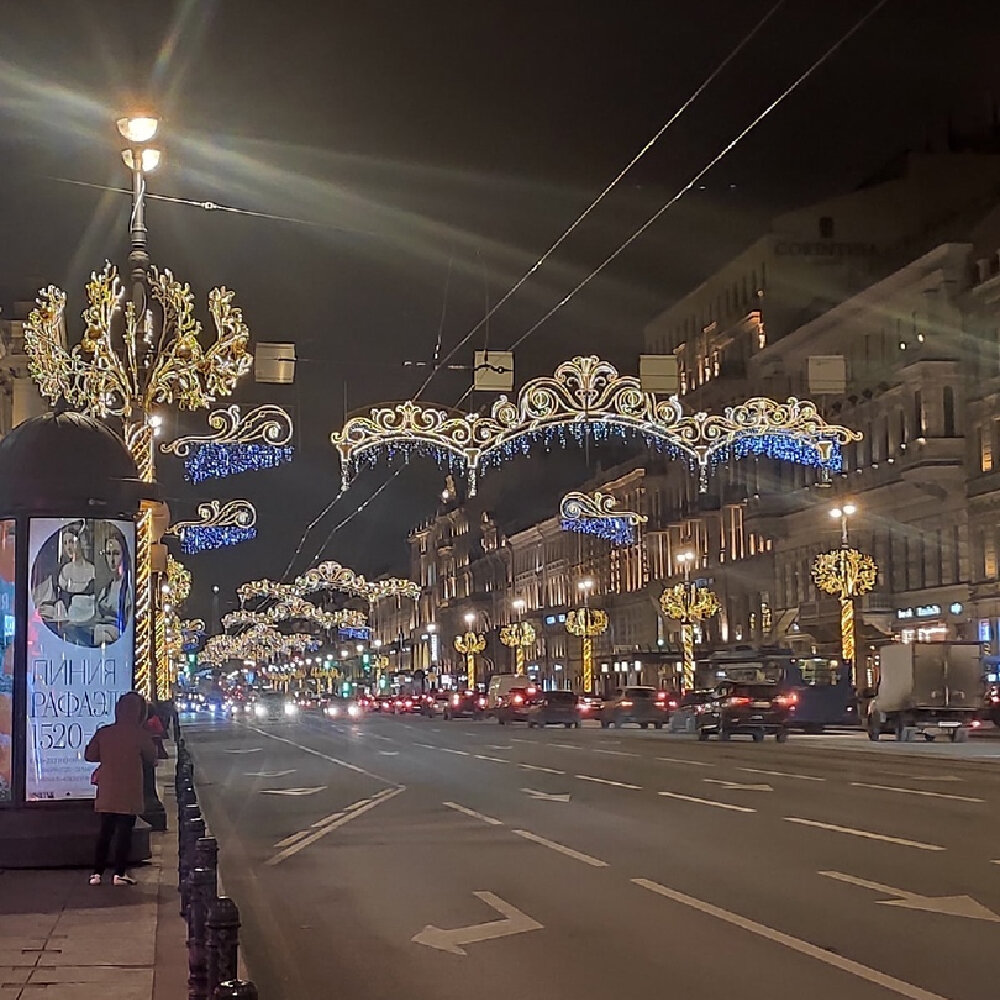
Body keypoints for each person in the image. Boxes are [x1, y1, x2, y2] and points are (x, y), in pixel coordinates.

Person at [84, 691, 156, 886]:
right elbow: (153, 757)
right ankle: (119, 873)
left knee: (105, 833)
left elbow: (90, 755)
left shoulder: (105, 732)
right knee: (124, 833)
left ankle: (96, 874)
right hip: (129, 791)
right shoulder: (139, 734)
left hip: (107, 790)